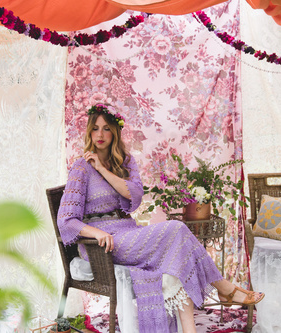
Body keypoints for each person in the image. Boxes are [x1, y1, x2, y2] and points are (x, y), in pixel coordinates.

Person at [57, 104, 264, 333]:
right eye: (95, 128)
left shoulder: (125, 163)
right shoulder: (81, 168)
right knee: (177, 230)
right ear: (89, 132)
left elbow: (134, 197)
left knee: (178, 252)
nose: (100, 134)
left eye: (106, 128)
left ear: (115, 132)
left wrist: (104, 170)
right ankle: (225, 289)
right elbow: (66, 220)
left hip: (127, 232)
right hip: (101, 244)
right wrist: (97, 232)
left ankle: (190, 330)